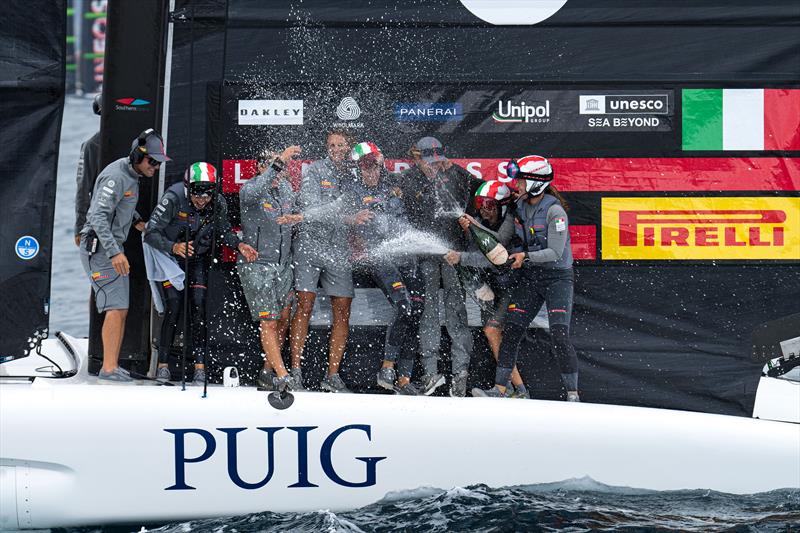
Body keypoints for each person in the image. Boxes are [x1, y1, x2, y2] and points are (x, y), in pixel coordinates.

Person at [472, 155, 580, 401]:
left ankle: (573, 394)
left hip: (557, 278)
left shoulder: (555, 211)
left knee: (560, 335)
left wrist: (525, 257)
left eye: (520, 180)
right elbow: (500, 233)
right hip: (532, 277)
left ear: (535, 182)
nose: (516, 184)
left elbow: (555, 252)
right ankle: (500, 390)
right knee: (512, 331)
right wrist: (474, 227)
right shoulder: (520, 205)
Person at [144, 162, 257, 385]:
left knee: (199, 306)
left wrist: (239, 245)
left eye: (207, 195)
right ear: (188, 188)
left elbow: (224, 232)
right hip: (169, 259)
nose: (202, 200)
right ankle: (163, 365)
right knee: (174, 306)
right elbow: (150, 233)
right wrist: (173, 247)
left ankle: (199, 367)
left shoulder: (218, 203)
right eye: (197, 195)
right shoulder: (173, 197)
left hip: (197, 259)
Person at [391, 136, 478, 396]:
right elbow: (400, 216)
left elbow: (482, 205)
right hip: (425, 258)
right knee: (427, 314)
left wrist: (468, 227)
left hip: (454, 255)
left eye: (436, 162)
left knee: (457, 314)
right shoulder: (408, 180)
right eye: (427, 162)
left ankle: (460, 374)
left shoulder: (460, 177)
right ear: (417, 158)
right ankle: (431, 373)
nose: (432, 166)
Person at [79, 129, 168, 382]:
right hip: (100, 250)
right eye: (152, 161)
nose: (156, 166)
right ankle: (108, 369)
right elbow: (97, 216)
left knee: (121, 308)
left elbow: (121, 208)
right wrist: (115, 252)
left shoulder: (131, 175)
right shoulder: (116, 177)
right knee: (116, 307)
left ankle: (112, 366)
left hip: (109, 249)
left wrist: (138, 221)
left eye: (159, 162)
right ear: (136, 156)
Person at [347, 142, 425, 395]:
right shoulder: (350, 191)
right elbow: (338, 218)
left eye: (376, 165)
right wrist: (353, 220)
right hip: (379, 257)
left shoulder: (393, 186)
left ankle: (404, 379)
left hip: (406, 255)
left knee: (416, 312)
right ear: (358, 168)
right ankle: (387, 368)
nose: (372, 170)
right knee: (403, 305)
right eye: (367, 166)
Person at [444, 187, 530, 399]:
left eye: (490, 206)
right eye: (480, 205)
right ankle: (510, 389)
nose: (484, 211)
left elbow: (496, 252)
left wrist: (473, 228)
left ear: (501, 206)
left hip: (515, 287)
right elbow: (476, 250)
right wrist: (469, 231)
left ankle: (519, 390)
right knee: (494, 334)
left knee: (492, 331)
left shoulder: (509, 219)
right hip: (494, 287)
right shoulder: (478, 222)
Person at [290, 130, 356, 393]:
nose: (336, 148)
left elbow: (364, 203)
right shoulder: (314, 170)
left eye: (341, 144)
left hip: (338, 248)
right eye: (332, 144)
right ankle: (295, 371)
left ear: (348, 147)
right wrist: (341, 208)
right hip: (309, 245)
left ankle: (332, 376)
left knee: (343, 310)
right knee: (304, 306)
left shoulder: (354, 174)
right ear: (326, 147)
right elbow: (309, 209)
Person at [238, 146, 303, 391]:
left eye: (281, 167)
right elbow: (254, 192)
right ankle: (283, 376)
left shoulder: (286, 189)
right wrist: (279, 162)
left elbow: (299, 213)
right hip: (258, 266)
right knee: (269, 322)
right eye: (273, 165)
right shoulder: (250, 189)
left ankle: (267, 372)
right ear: (260, 167)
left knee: (284, 317)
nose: (278, 171)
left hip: (283, 265)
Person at [74, 93, 103, 246]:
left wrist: (79, 228)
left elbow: (82, 188)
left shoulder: (91, 145)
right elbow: (83, 189)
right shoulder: (92, 146)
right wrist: (80, 227)